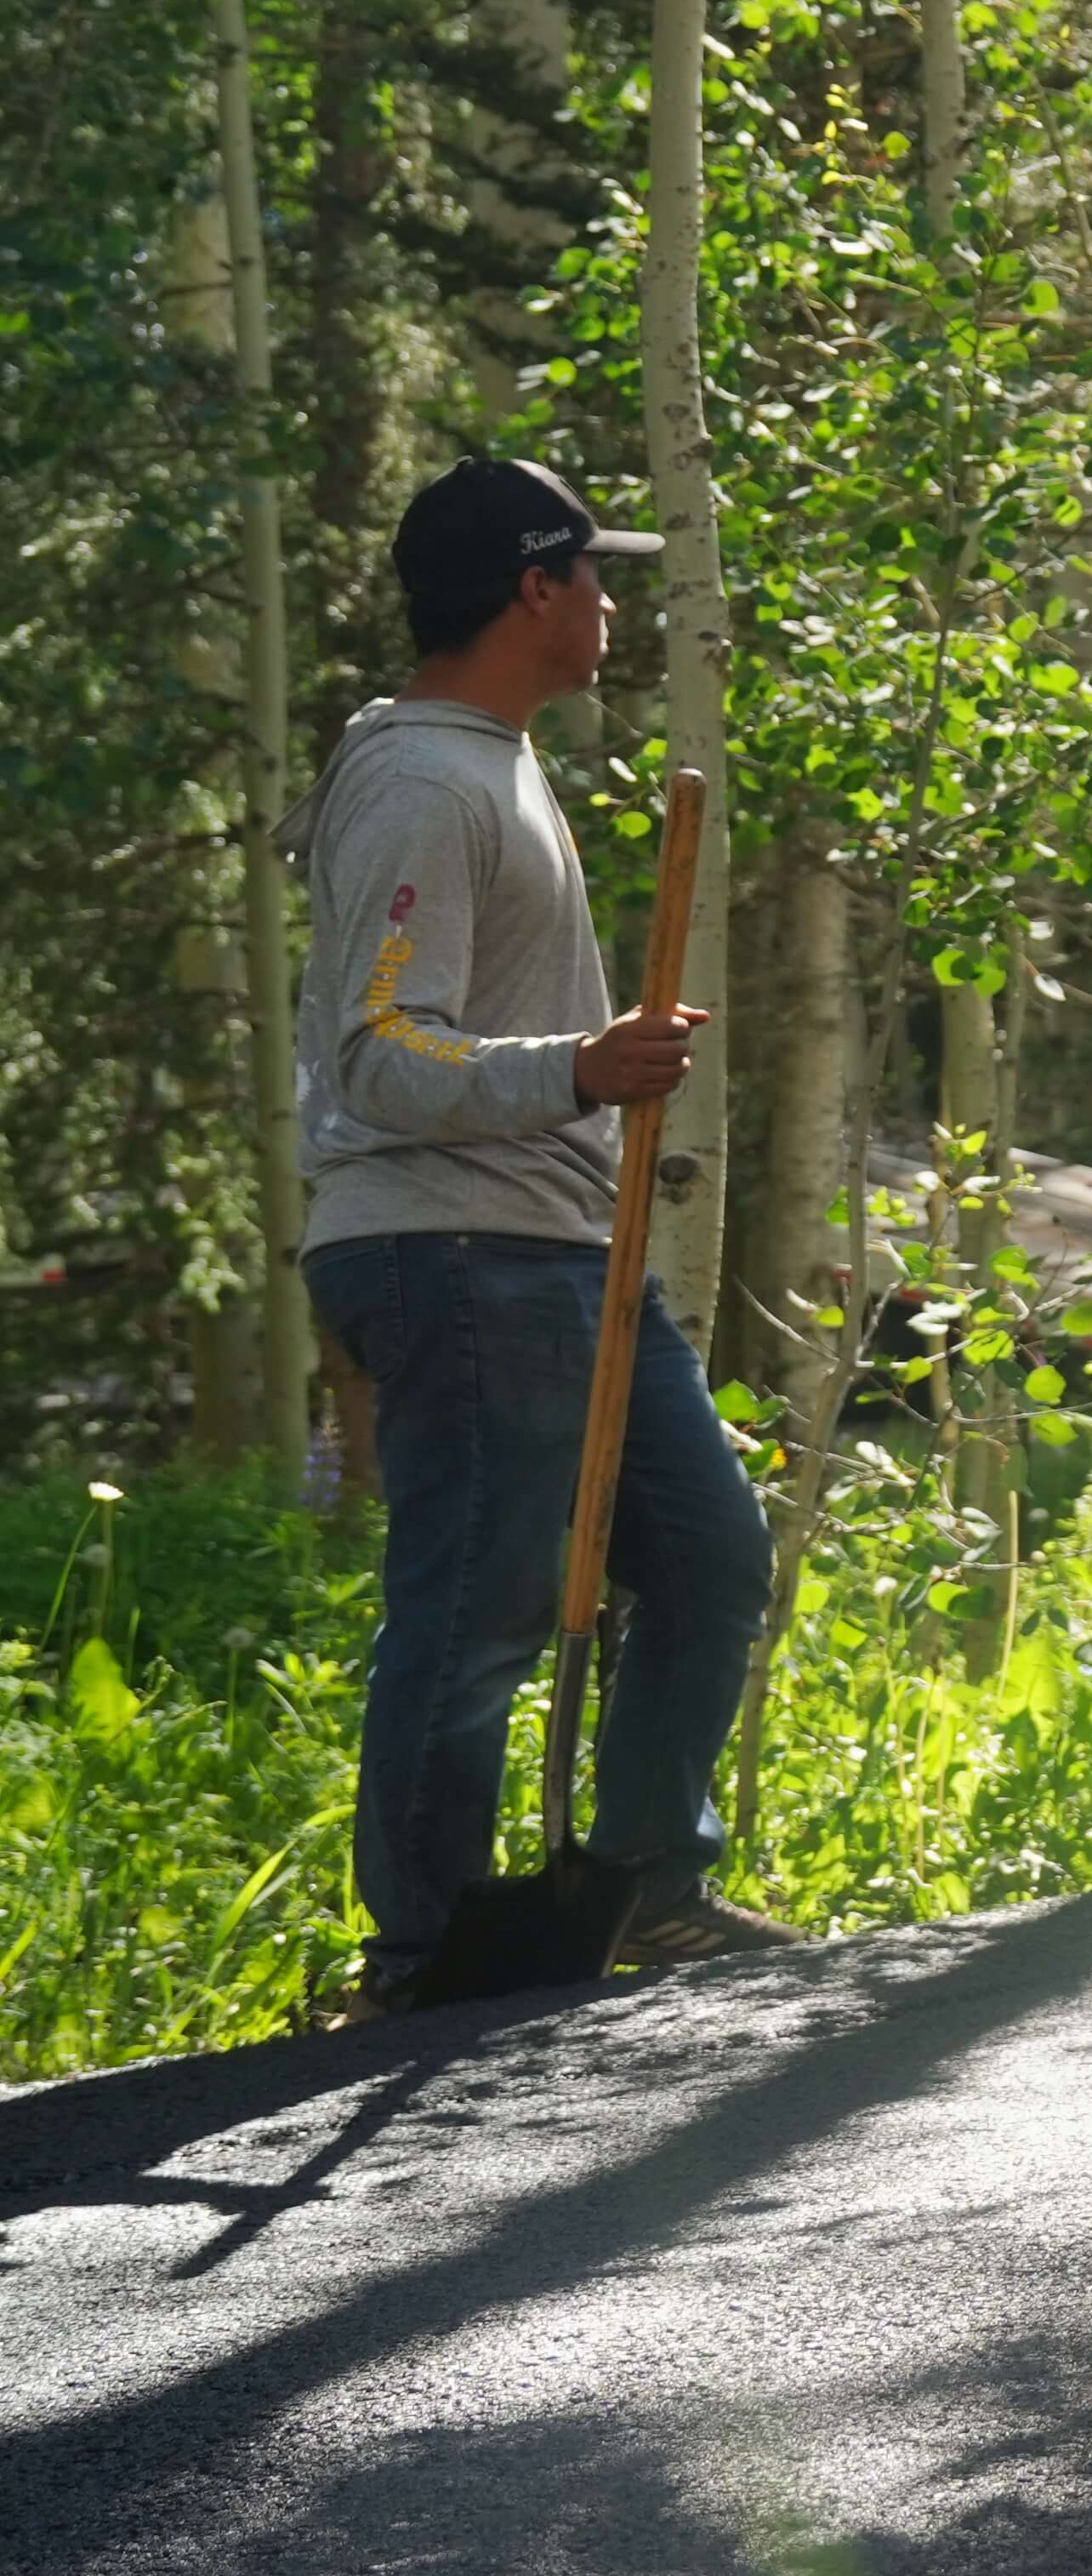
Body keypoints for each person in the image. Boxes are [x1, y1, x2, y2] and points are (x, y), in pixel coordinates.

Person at [291, 456, 786, 2015]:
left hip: (563, 1246)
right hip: (449, 1246)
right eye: (592, 573)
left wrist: (580, 1075)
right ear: (531, 588)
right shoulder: (426, 784)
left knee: (706, 1557)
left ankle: (642, 1887)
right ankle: (425, 1949)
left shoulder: (495, 762)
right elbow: (375, 1052)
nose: (612, 602)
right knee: (481, 1596)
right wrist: (576, 1067)